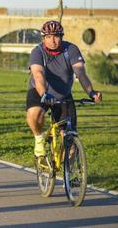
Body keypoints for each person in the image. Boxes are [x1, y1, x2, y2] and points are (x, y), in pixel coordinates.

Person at [27, 20, 102, 165]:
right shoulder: (38, 52)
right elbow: (38, 75)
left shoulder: (71, 50)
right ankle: (38, 139)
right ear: (43, 38)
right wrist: (44, 93)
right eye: (48, 36)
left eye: (56, 36)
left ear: (61, 36)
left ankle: (70, 174)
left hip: (63, 95)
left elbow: (81, 74)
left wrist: (91, 92)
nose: (53, 40)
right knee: (35, 114)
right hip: (40, 91)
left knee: (69, 137)